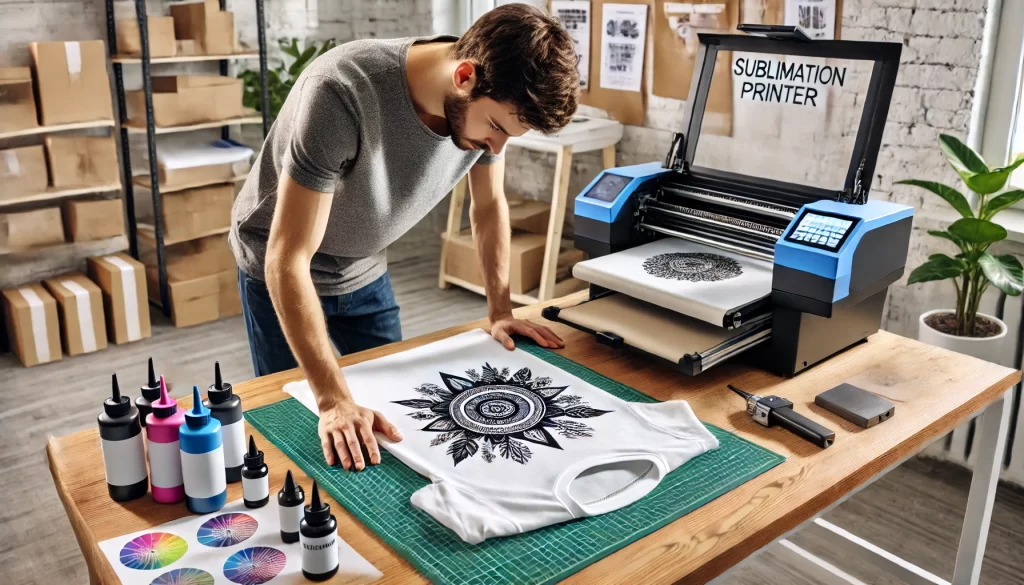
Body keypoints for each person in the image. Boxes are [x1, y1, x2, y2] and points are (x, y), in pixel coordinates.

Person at [229, 4, 581, 473]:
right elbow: (287, 257)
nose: (496, 150)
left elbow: (490, 206)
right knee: (300, 422)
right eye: (497, 127)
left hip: (364, 266)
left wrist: (500, 310)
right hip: (279, 269)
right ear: (463, 76)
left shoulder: (487, 112)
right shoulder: (340, 91)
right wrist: (333, 400)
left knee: (397, 416)